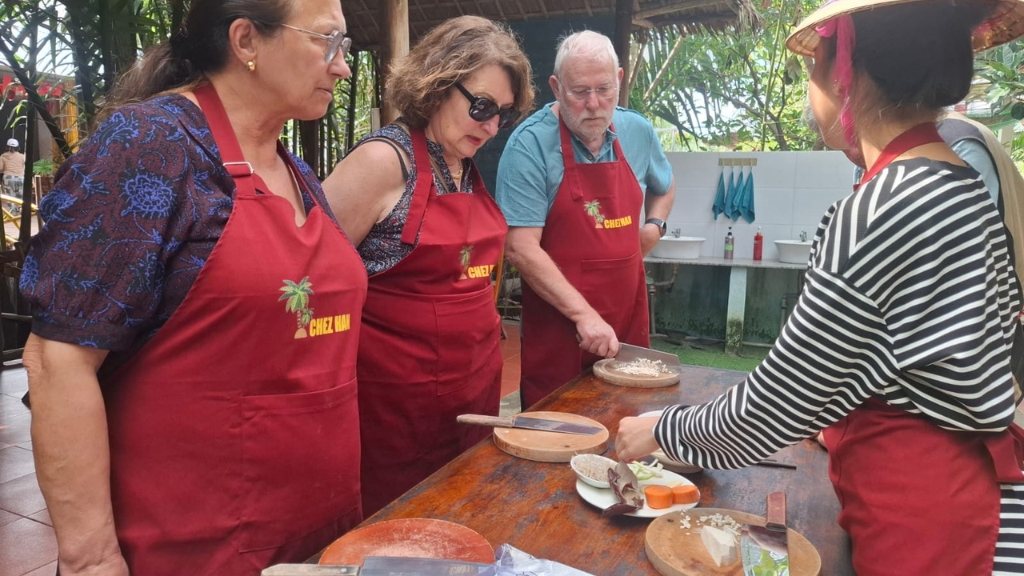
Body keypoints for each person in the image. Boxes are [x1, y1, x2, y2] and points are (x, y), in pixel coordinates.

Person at [616, 1, 1024, 574]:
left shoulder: (883, 205)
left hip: (921, 517)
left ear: (844, 70)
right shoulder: (962, 188)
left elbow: (780, 402)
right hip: (967, 493)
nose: (812, 92)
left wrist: (664, 429)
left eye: (813, 72)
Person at [20, 0, 365, 573]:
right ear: (246, 41)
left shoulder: (296, 170)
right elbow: (58, 361)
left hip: (318, 530)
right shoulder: (151, 146)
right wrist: (91, 558)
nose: (342, 67)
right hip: (193, 542)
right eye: (326, 42)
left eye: (345, 48)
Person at [322, 15, 534, 517]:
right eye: (481, 106)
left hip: (473, 398)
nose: (490, 126)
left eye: (502, 114)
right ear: (438, 84)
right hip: (394, 413)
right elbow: (310, 287)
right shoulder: (383, 162)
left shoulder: (464, 165)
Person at [495, 30, 676, 409]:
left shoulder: (637, 131)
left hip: (627, 317)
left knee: (628, 422)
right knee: (557, 427)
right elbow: (520, 247)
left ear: (620, 80)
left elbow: (665, 185)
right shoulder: (529, 144)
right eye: (579, 92)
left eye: (604, 89)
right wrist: (585, 316)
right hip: (560, 327)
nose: (594, 104)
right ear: (556, 87)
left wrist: (654, 226)